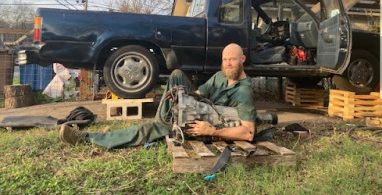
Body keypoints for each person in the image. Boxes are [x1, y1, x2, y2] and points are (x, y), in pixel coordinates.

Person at [59, 43, 256, 148]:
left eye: (232, 60)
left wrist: (211, 131)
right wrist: (182, 98)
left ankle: (86, 138)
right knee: (177, 75)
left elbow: (248, 132)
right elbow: (199, 93)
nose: (228, 63)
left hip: (206, 126)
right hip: (199, 112)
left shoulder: (243, 91)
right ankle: (163, 119)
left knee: (146, 130)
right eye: (225, 59)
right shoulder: (221, 76)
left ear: (243, 59)